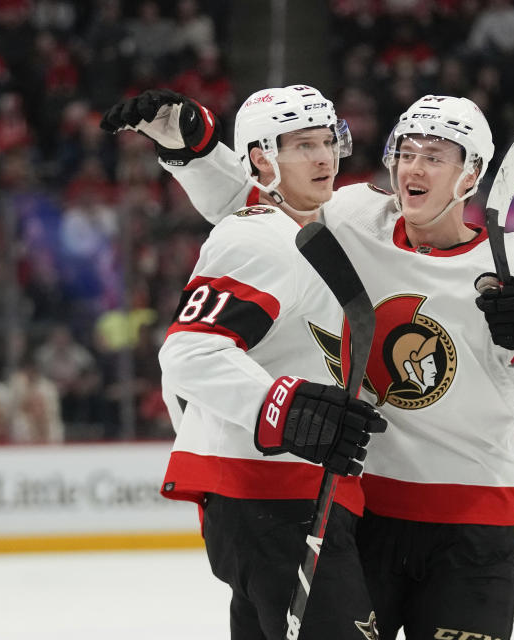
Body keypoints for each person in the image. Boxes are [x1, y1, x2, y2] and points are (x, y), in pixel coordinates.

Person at [103, 89, 514, 639]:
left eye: (435, 156)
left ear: (471, 175)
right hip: (363, 509)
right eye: (407, 152)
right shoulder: (350, 218)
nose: (414, 167)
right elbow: (263, 209)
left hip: (473, 523)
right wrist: (201, 154)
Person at [102, 86, 386, 640]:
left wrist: (201, 151)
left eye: (329, 141)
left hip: (282, 495)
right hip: (272, 495)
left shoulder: (302, 228)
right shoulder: (258, 240)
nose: (325, 157)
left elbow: (253, 198)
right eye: (304, 145)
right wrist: (283, 408)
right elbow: (190, 351)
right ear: (262, 157)